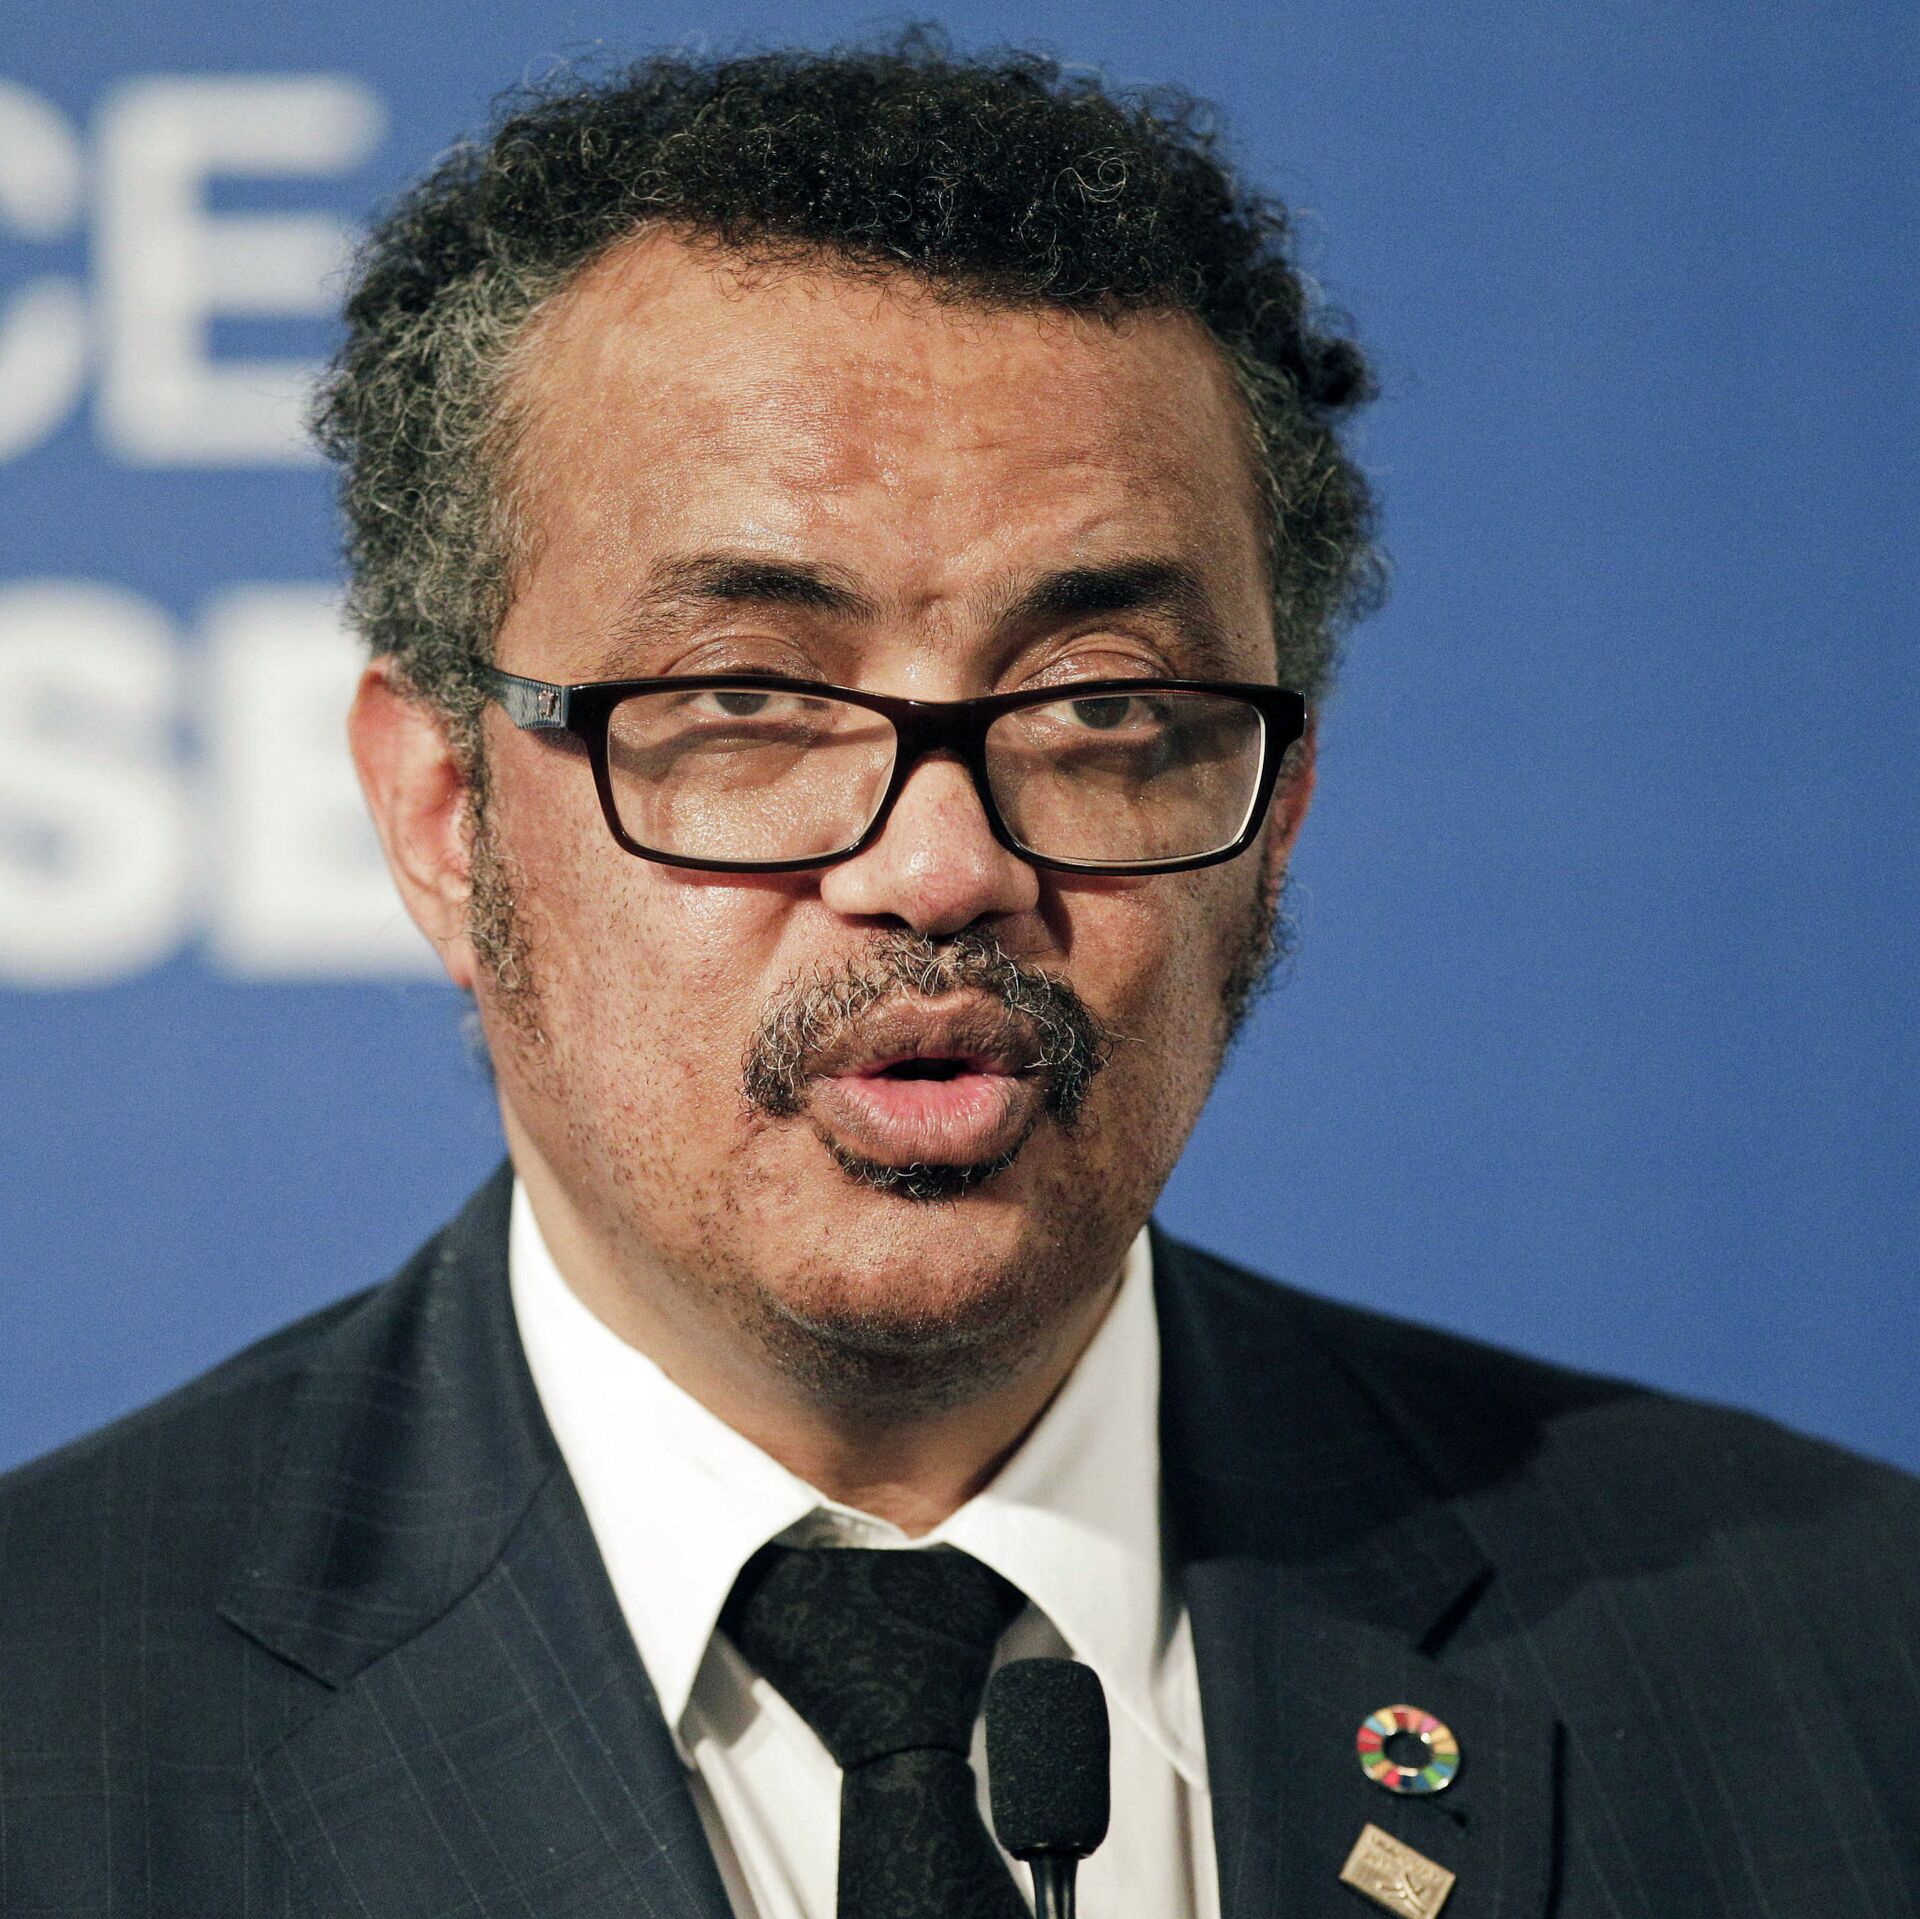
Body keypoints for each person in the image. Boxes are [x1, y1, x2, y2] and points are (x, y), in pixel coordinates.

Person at [2, 35, 1914, 1919]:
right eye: (746, 698)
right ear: (441, 812)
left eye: (1100, 707)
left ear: (1279, 811)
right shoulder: (52, 1725)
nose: (941, 868)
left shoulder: (1835, 1661)